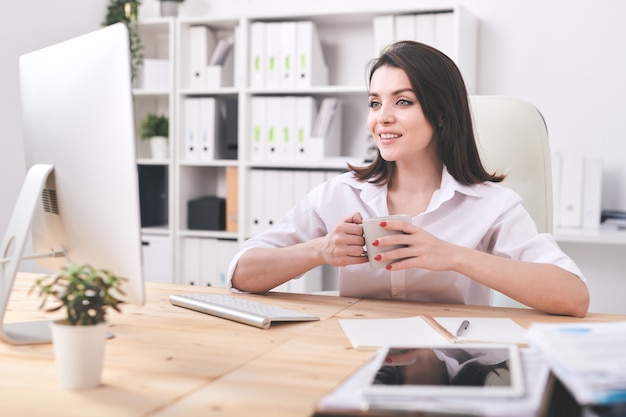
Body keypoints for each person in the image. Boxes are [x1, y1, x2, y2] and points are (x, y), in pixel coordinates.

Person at [227, 40, 590, 318]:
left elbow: (573, 297)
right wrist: (319, 250)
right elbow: (241, 273)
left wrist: (453, 256)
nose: (381, 118)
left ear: (443, 114)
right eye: (374, 103)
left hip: (455, 373)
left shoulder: (492, 205)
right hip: (352, 358)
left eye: (402, 102)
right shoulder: (339, 194)